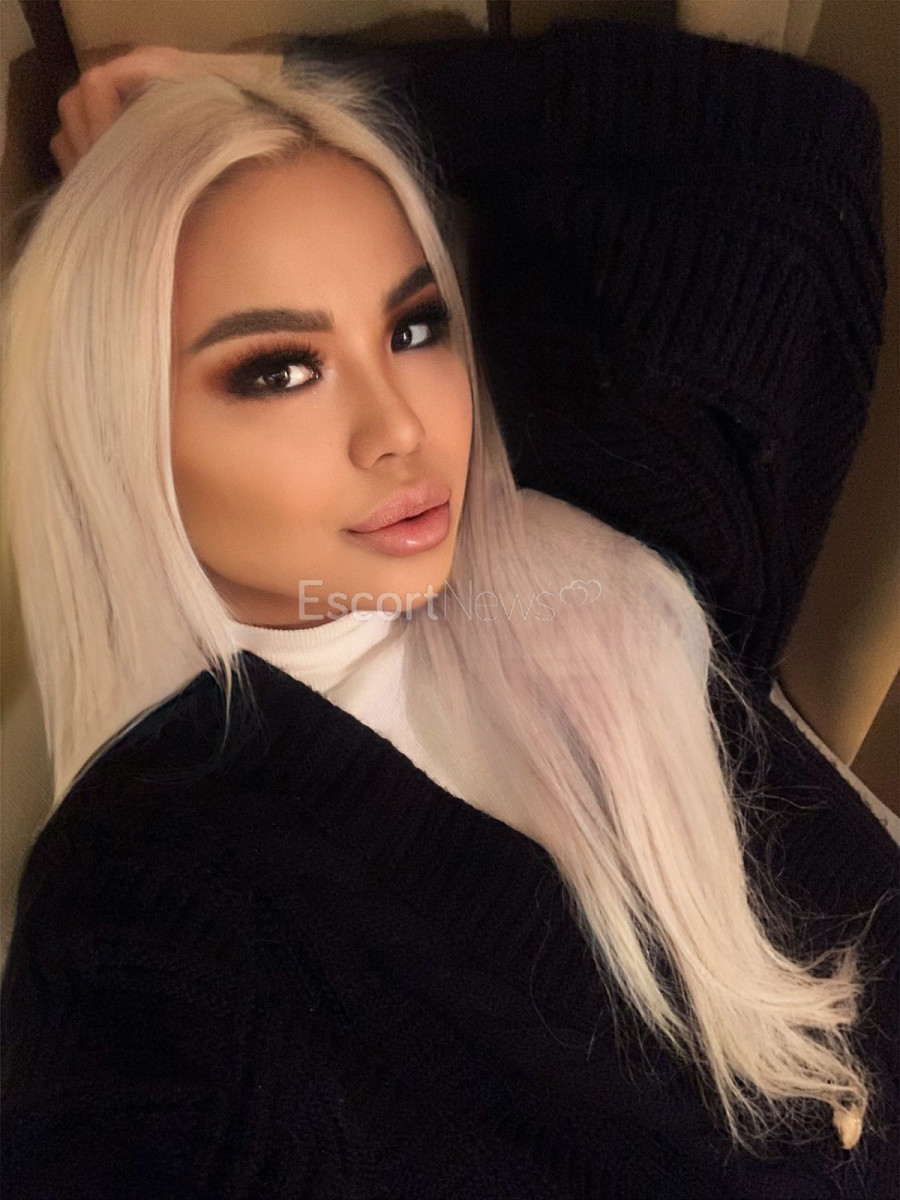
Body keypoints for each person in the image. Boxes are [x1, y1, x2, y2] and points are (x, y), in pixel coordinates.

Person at [1, 34, 896, 1199]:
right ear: (114, 434)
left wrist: (295, 93)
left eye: (414, 328)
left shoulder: (605, 518)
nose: (400, 429)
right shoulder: (148, 896)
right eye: (278, 370)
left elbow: (800, 149)